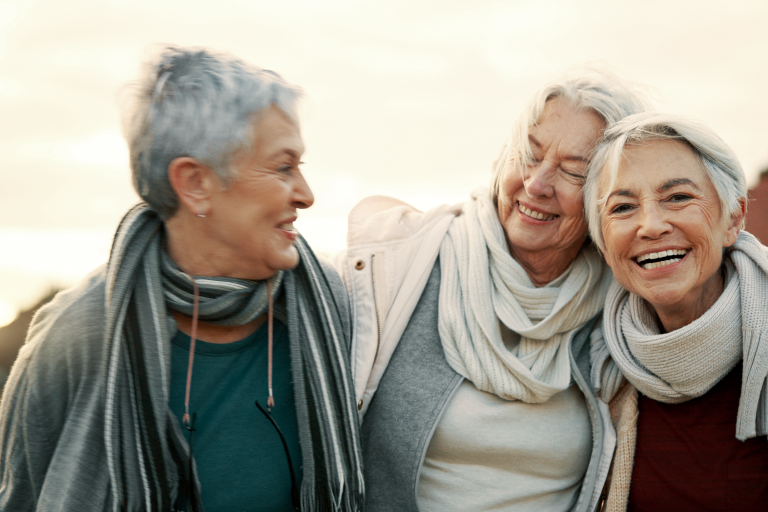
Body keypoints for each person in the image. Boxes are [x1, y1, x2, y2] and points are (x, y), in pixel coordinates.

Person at [0, 47, 364, 512]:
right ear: (194, 183)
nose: (306, 195)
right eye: (282, 167)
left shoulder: (331, 310)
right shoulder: (75, 335)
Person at [333, 68, 650, 512]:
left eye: (573, 172)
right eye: (529, 154)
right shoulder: (410, 266)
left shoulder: (623, 310)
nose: (537, 185)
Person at [585, 113, 768, 511]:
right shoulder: (597, 369)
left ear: (733, 219)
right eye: (622, 207)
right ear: (602, 242)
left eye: (678, 197)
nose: (650, 226)